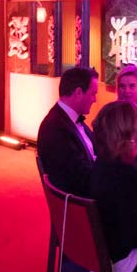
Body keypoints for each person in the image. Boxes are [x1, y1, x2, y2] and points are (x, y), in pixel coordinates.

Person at [87, 101, 137, 272]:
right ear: (128, 131)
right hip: (120, 267)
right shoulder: (126, 173)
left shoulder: (103, 162)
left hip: (95, 259)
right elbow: (131, 236)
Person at [35, 66, 98, 196]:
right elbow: (79, 178)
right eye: (93, 93)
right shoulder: (55, 129)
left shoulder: (70, 119)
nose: (95, 99)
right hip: (80, 200)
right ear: (78, 93)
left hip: (89, 185)